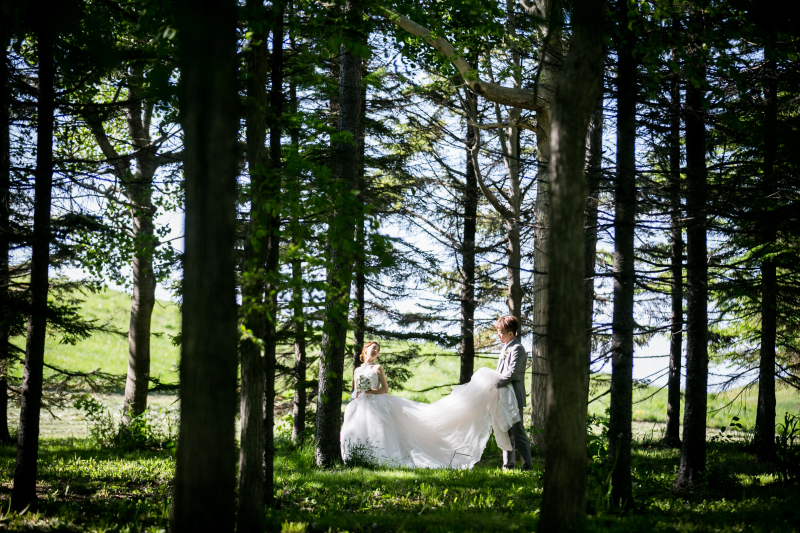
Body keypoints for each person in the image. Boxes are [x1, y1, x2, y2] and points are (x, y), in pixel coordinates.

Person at [340, 340, 521, 469]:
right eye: (373, 349)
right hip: (359, 403)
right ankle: (357, 458)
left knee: (378, 430)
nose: (375, 352)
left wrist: (371, 392)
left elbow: (385, 389)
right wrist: (357, 395)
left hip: (376, 402)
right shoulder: (356, 369)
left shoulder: (377, 368)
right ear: (365, 350)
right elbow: (354, 389)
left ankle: (378, 458)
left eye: (378, 350)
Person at [494, 316, 533, 470]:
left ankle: (527, 466)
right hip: (503, 396)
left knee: (518, 432)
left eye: (501, 332)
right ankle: (508, 464)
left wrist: (493, 385)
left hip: (514, 397)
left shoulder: (518, 349)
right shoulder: (505, 348)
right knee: (506, 430)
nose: (498, 335)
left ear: (511, 334)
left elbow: (511, 374)